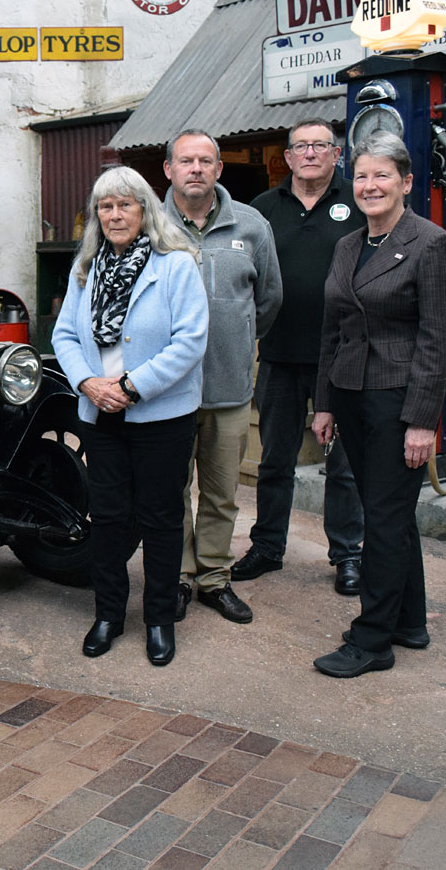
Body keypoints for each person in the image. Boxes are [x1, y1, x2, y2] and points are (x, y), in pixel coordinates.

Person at [312, 131, 446, 678]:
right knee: (387, 514)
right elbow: (334, 329)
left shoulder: (430, 243)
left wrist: (423, 421)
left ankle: (373, 640)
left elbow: (438, 339)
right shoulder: (349, 244)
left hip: (398, 400)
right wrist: (323, 403)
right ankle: (409, 621)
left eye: (382, 175)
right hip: (350, 397)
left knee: (388, 518)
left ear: (407, 182)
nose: (370, 185)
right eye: (363, 175)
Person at [52, 166, 208, 666]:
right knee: (110, 518)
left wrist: (131, 386)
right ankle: (108, 615)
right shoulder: (86, 270)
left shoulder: (176, 265)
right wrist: (88, 383)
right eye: (105, 206)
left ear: (145, 209)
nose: (115, 214)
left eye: (125, 204)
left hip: (160, 414)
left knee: (161, 518)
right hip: (100, 413)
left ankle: (160, 619)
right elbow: (64, 337)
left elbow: (190, 341)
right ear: (96, 216)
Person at [234, 118, 365, 596]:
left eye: (320, 146)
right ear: (287, 157)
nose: (310, 153)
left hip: (345, 356)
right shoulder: (261, 211)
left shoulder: (358, 203)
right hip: (281, 355)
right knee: (275, 461)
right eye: (301, 146)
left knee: (345, 467)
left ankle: (348, 554)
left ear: (336, 155)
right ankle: (268, 547)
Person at [162, 129, 282, 625]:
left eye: (205, 161)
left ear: (218, 169)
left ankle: (213, 578)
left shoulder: (251, 225)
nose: (196, 169)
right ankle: (177, 577)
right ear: (167, 169)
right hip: (164, 393)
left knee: (220, 492)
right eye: (185, 161)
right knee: (170, 491)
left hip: (229, 388)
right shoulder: (149, 225)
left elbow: (270, 299)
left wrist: (238, 340)